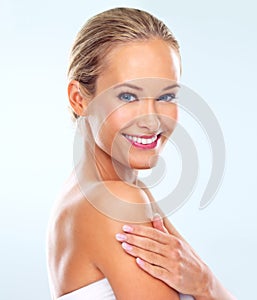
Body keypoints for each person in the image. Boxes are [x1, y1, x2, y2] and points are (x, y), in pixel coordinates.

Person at [47, 7, 236, 300]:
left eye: (166, 96)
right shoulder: (114, 201)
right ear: (79, 99)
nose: (151, 119)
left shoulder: (100, 192)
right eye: (128, 96)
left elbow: (202, 281)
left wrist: (205, 283)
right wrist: (205, 287)